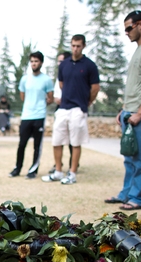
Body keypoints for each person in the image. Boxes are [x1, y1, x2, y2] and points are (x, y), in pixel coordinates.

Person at [104, 10, 141, 210]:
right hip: (129, 111)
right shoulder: (138, 49)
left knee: (140, 157)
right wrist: (124, 110)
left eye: (129, 28)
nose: (126, 32)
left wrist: (139, 112)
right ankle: (126, 193)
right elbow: (135, 84)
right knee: (129, 156)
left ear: (140, 25)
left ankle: (137, 198)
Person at [43, 35, 100, 185]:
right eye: (73, 45)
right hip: (63, 108)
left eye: (78, 46)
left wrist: (87, 102)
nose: (75, 49)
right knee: (57, 140)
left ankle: (72, 173)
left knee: (75, 142)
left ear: (83, 46)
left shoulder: (89, 65)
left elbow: (95, 88)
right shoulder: (64, 65)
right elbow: (61, 84)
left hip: (78, 108)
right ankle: (58, 171)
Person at [9, 51, 54, 179]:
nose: (34, 64)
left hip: (39, 116)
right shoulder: (25, 79)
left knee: (37, 146)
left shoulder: (46, 80)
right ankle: (17, 168)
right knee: (22, 144)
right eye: (32, 61)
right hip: (26, 115)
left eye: (36, 61)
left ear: (41, 63)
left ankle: (33, 170)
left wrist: (40, 104)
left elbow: (50, 98)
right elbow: (22, 96)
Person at [49, 51, 73, 175]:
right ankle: (58, 164)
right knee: (58, 138)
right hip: (60, 109)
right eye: (58, 61)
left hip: (72, 109)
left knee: (72, 140)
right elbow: (55, 93)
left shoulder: (72, 75)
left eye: (61, 61)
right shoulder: (59, 76)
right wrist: (55, 99)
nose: (59, 63)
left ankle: (73, 165)